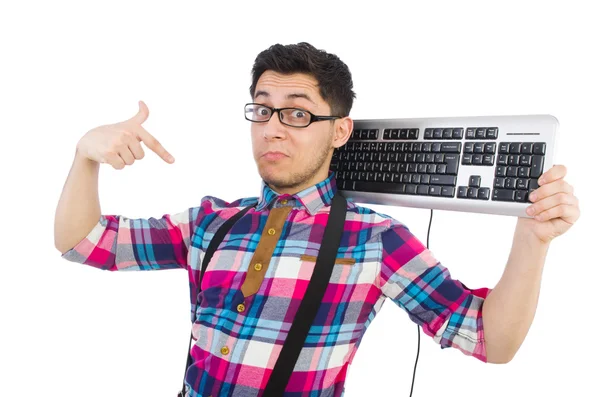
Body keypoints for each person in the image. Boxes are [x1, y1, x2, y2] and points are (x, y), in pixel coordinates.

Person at [54, 42, 580, 397]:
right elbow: (83, 242)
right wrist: (85, 155)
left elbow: (491, 340)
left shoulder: (374, 240)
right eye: (262, 109)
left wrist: (534, 239)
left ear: (339, 130)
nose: (273, 129)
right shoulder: (211, 222)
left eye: (298, 112)